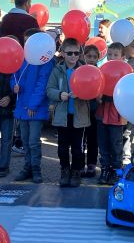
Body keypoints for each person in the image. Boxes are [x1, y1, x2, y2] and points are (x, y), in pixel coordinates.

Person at [48, 38, 92, 187]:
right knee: (62, 146)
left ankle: (76, 171)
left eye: (76, 53)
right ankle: (65, 170)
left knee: (77, 147)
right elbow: (49, 90)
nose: (73, 56)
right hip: (62, 116)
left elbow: (92, 90)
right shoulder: (57, 70)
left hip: (79, 116)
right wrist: (60, 95)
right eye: (70, 53)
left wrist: (83, 93)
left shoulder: (84, 70)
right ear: (63, 53)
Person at [12, 30, 53, 184]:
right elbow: (14, 75)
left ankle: (36, 168)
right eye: (25, 41)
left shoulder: (44, 60)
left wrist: (33, 105)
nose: (27, 45)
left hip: (34, 108)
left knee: (34, 141)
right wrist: (15, 86)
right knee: (25, 139)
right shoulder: (22, 58)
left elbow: (42, 84)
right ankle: (27, 167)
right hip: (22, 106)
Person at [95, 42, 128, 185]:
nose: (112, 57)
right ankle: (105, 168)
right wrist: (98, 95)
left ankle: (116, 170)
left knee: (116, 144)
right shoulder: (103, 69)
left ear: (123, 57)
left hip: (117, 116)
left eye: (116, 55)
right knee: (103, 144)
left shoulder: (126, 72)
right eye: (110, 54)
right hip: (102, 113)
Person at [80, 44, 101, 179]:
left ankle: (92, 165)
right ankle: (80, 165)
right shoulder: (80, 71)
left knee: (93, 140)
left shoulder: (100, 72)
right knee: (80, 140)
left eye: (94, 57)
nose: (91, 59)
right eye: (89, 56)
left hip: (95, 111)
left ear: (98, 58)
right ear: (83, 56)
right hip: (81, 111)